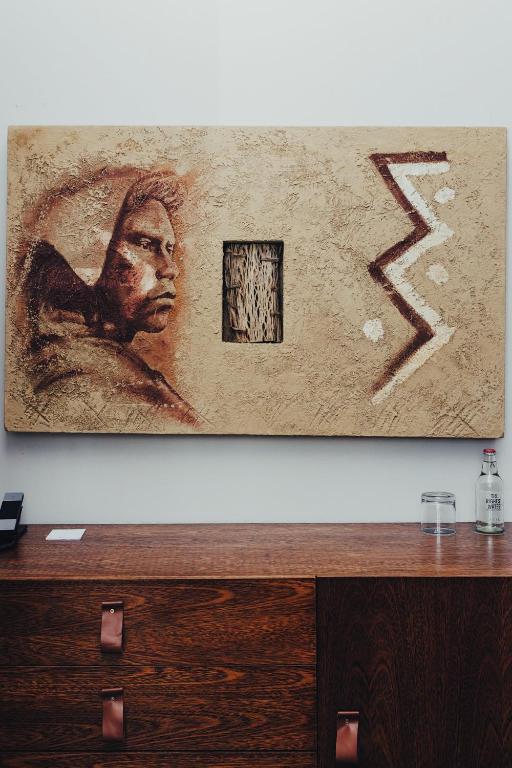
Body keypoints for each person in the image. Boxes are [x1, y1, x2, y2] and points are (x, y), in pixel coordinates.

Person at [24, 173, 201, 430]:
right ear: (90, 256)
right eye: (145, 244)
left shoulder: (113, 369)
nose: (170, 269)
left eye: (169, 249)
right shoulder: (77, 380)